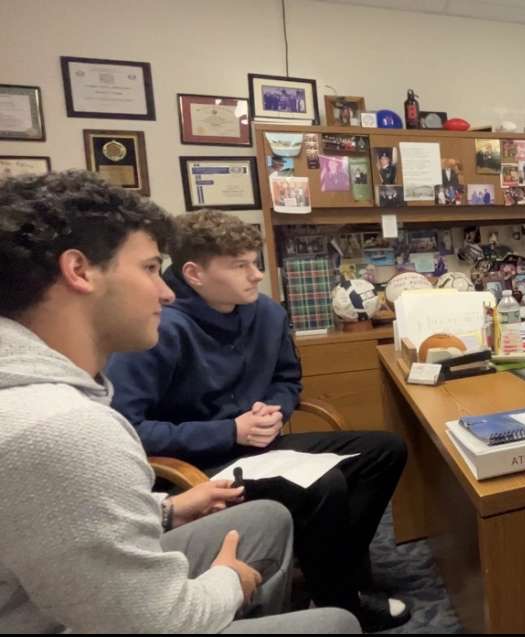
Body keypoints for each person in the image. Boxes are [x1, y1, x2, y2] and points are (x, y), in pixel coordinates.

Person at [0, 170, 359, 634]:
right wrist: (230, 581)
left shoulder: (45, 391)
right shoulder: (63, 428)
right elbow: (159, 621)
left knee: (267, 518)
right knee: (336, 625)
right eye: (150, 269)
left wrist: (166, 509)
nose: (167, 292)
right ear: (79, 271)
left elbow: (58, 519)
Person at [105, 210, 411, 632]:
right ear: (194, 273)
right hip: (194, 465)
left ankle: (330, 570)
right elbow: (125, 430)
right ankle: (342, 597)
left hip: (259, 446)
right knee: (324, 484)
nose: (256, 275)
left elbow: (287, 379)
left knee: (383, 450)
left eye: (256, 262)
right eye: (240, 266)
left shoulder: (266, 313)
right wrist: (229, 430)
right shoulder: (158, 326)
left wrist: (275, 410)